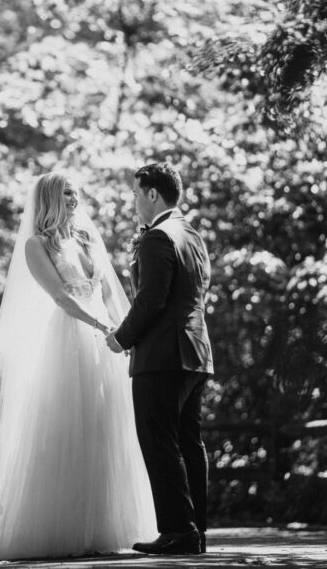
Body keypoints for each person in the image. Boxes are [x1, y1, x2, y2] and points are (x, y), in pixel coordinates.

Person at [0, 170, 156, 560]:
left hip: (108, 342)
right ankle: (58, 527)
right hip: (70, 339)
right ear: (48, 198)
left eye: (76, 194)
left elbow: (111, 293)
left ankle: (107, 526)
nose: (74, 200)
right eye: (66, 194)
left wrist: (127, 334)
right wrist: (102, 326)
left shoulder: (87, 239)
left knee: (107, 425)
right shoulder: (36, 246)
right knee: (68, 427)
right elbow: (62, 297)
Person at [106, 162, 214, 555]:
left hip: (162, 356)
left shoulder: (157, 238)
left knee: (159, 441)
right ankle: (195, 530)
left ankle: (177, 532)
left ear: (153, 194)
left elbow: (151, 299)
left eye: (136, 193)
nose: (134, 202)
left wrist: (121, 338)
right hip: (196, 353)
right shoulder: (192, 235)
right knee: (188, 442)